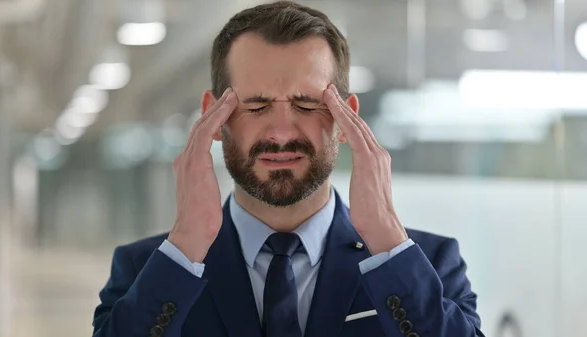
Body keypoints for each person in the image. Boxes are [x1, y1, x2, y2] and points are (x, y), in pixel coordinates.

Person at [92, 1, 484, 337]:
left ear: (347, 118)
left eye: (308, 104)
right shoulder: (148, 269)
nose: (281, 132)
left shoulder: (428, 264)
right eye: (257, 105)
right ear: (213, 114)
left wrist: (385, 238)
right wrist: (187, 244)